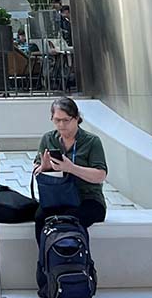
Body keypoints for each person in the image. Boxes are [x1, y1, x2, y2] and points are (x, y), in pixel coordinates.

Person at [33, 97, 107, 241]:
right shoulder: (48, 139)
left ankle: (75, 260)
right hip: (58, 197)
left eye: (66, 120)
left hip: (87, 198)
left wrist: (71, 168)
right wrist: (44, 168)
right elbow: (37, 167)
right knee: (40, 217)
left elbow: (100, 175)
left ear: (76, 118)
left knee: (69, 219)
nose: (61, 125)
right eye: (57, 120)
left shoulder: (92, 141)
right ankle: (46, 260)